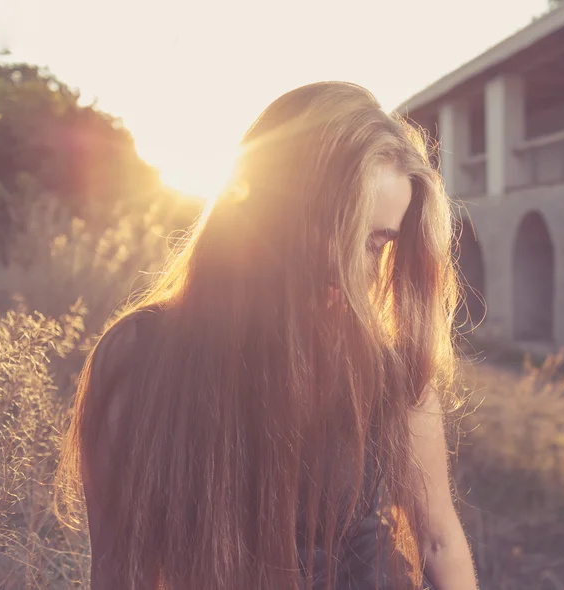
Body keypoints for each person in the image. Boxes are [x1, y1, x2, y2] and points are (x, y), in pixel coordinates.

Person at [57, 81, 478, 590]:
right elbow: (119, 569)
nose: (344, 269)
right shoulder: (139, 356)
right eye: (332, 227)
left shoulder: (388, 370)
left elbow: (437, 538)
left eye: (374, 244)